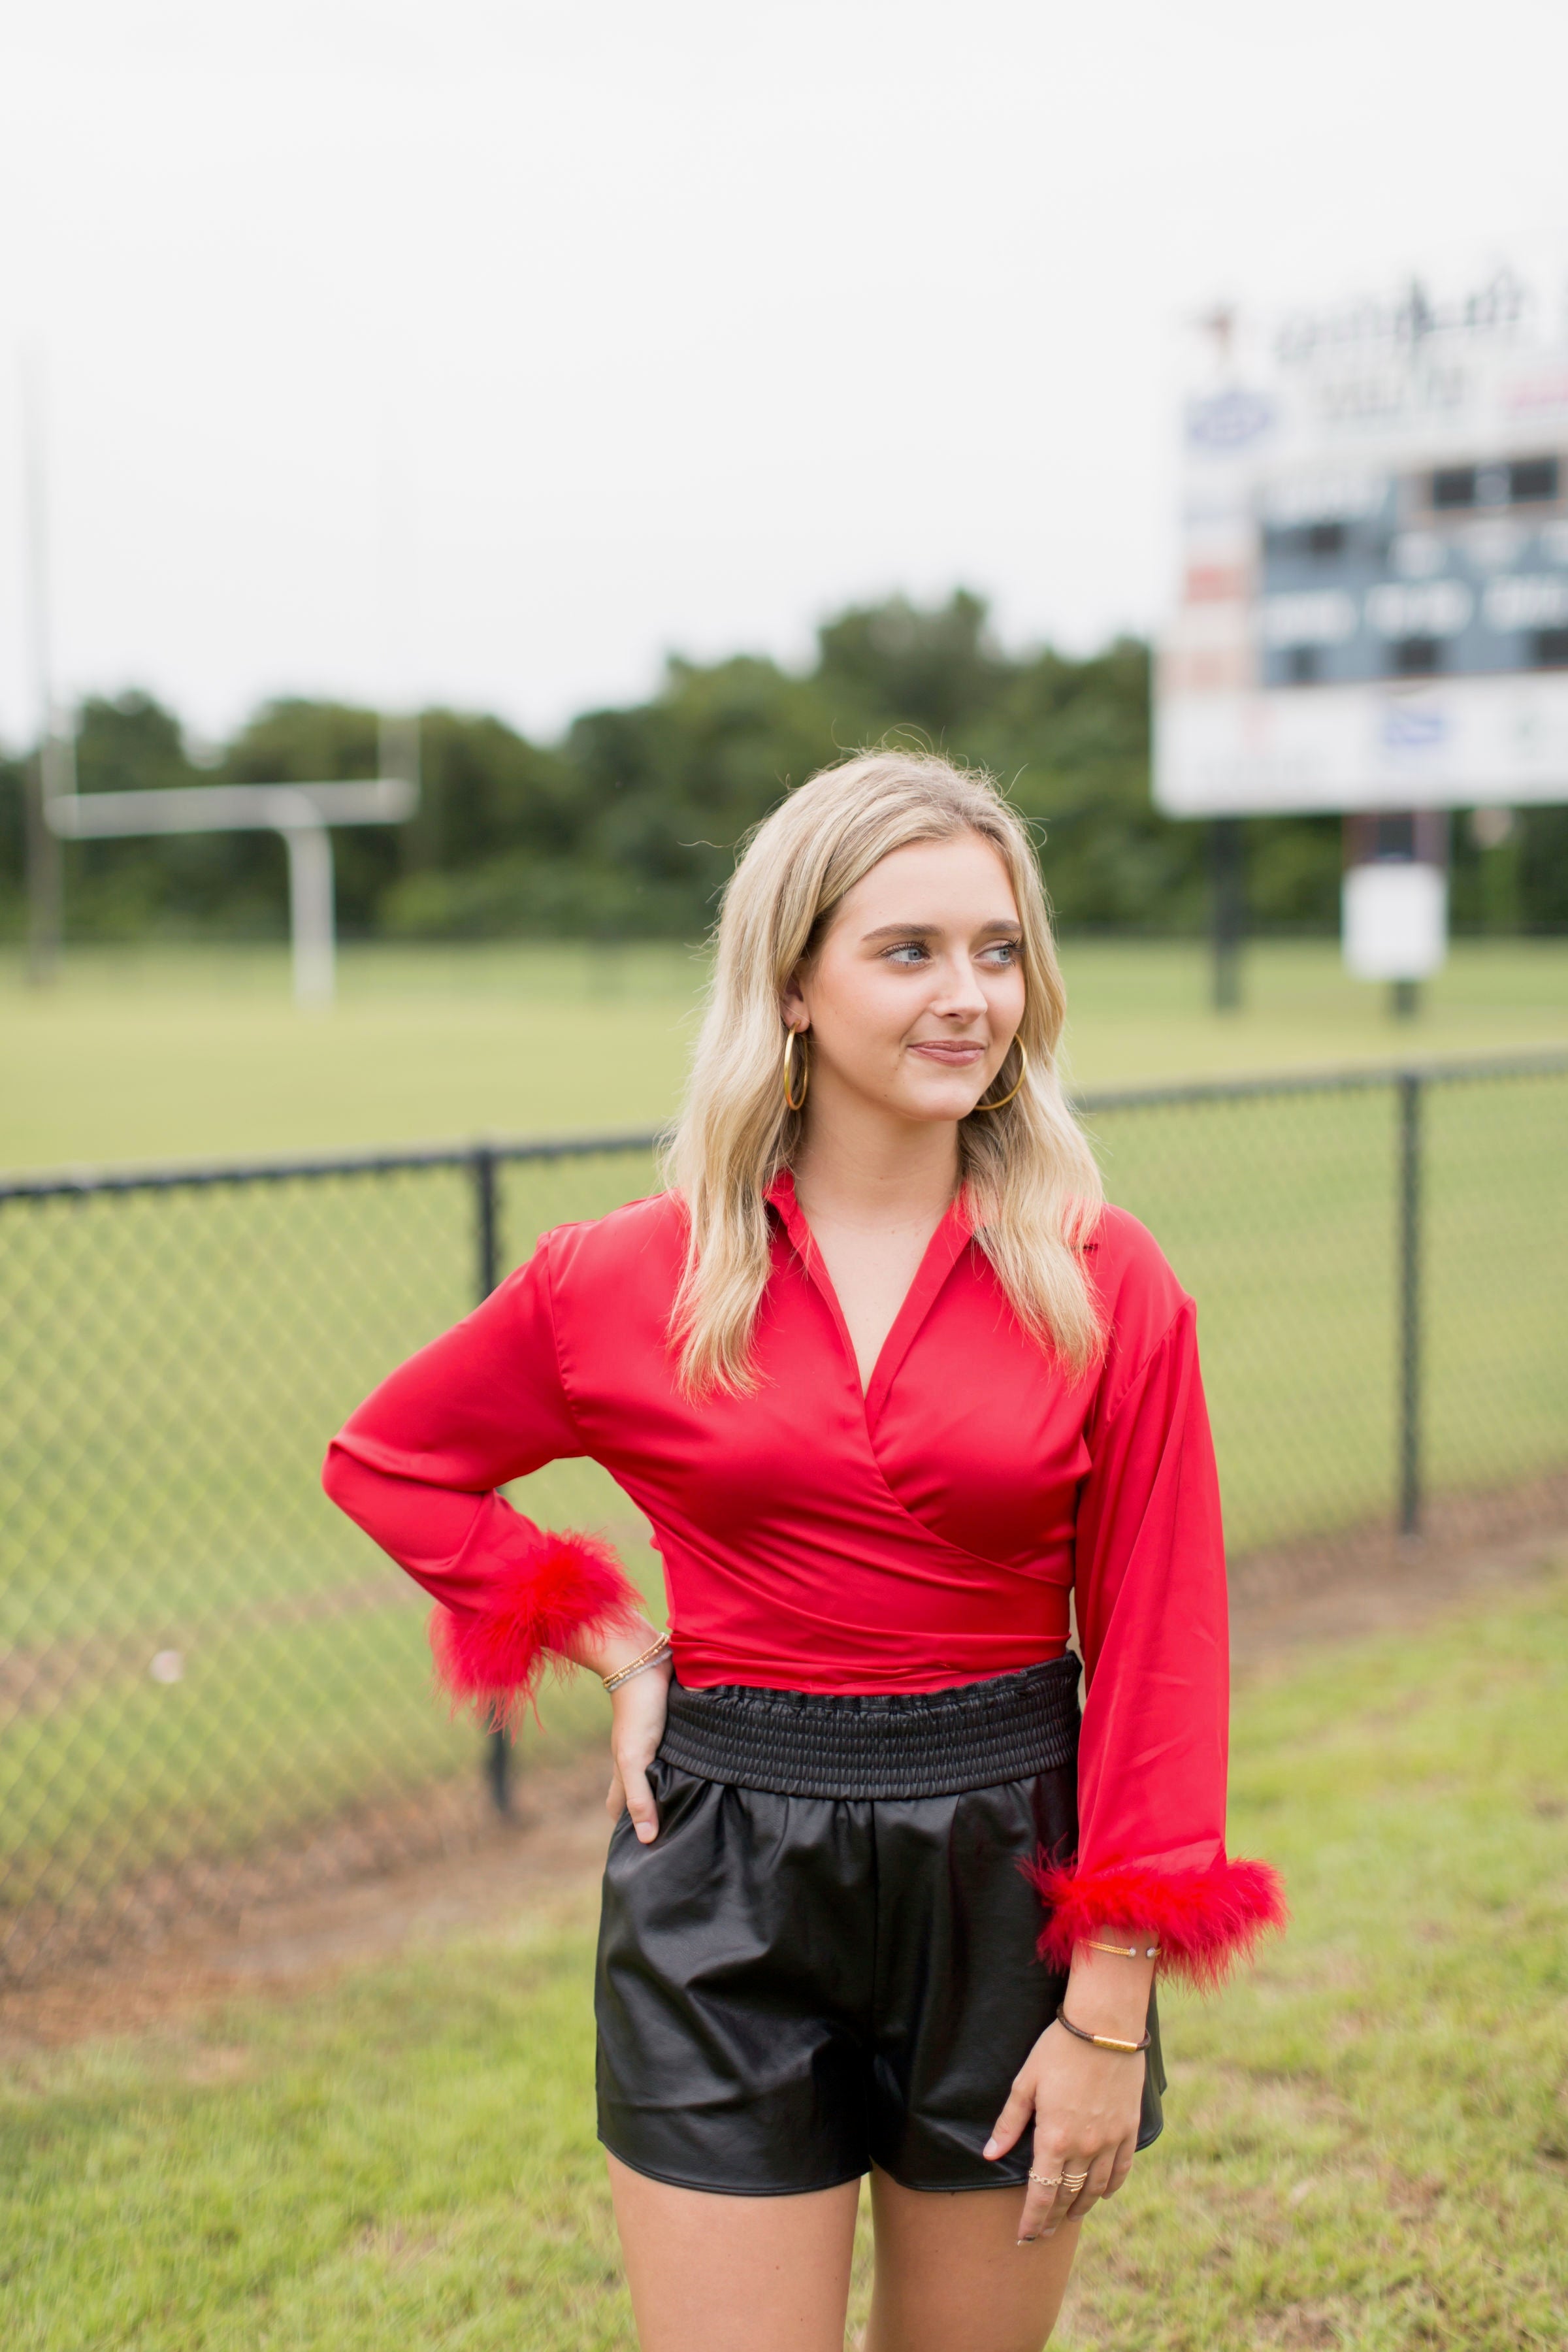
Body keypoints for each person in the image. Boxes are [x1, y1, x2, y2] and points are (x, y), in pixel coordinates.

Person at [322, 749, 1285, 2352]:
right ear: (791, 985)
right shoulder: (621, 1279)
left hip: (1011, 1881)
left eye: (998, 948)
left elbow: (1160, 1636)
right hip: (721, 1878)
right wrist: (612, 1637)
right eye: (908, 951)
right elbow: (394, 1464)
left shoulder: (1106, 1276)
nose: (968, 994)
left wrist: (1108, 2008)